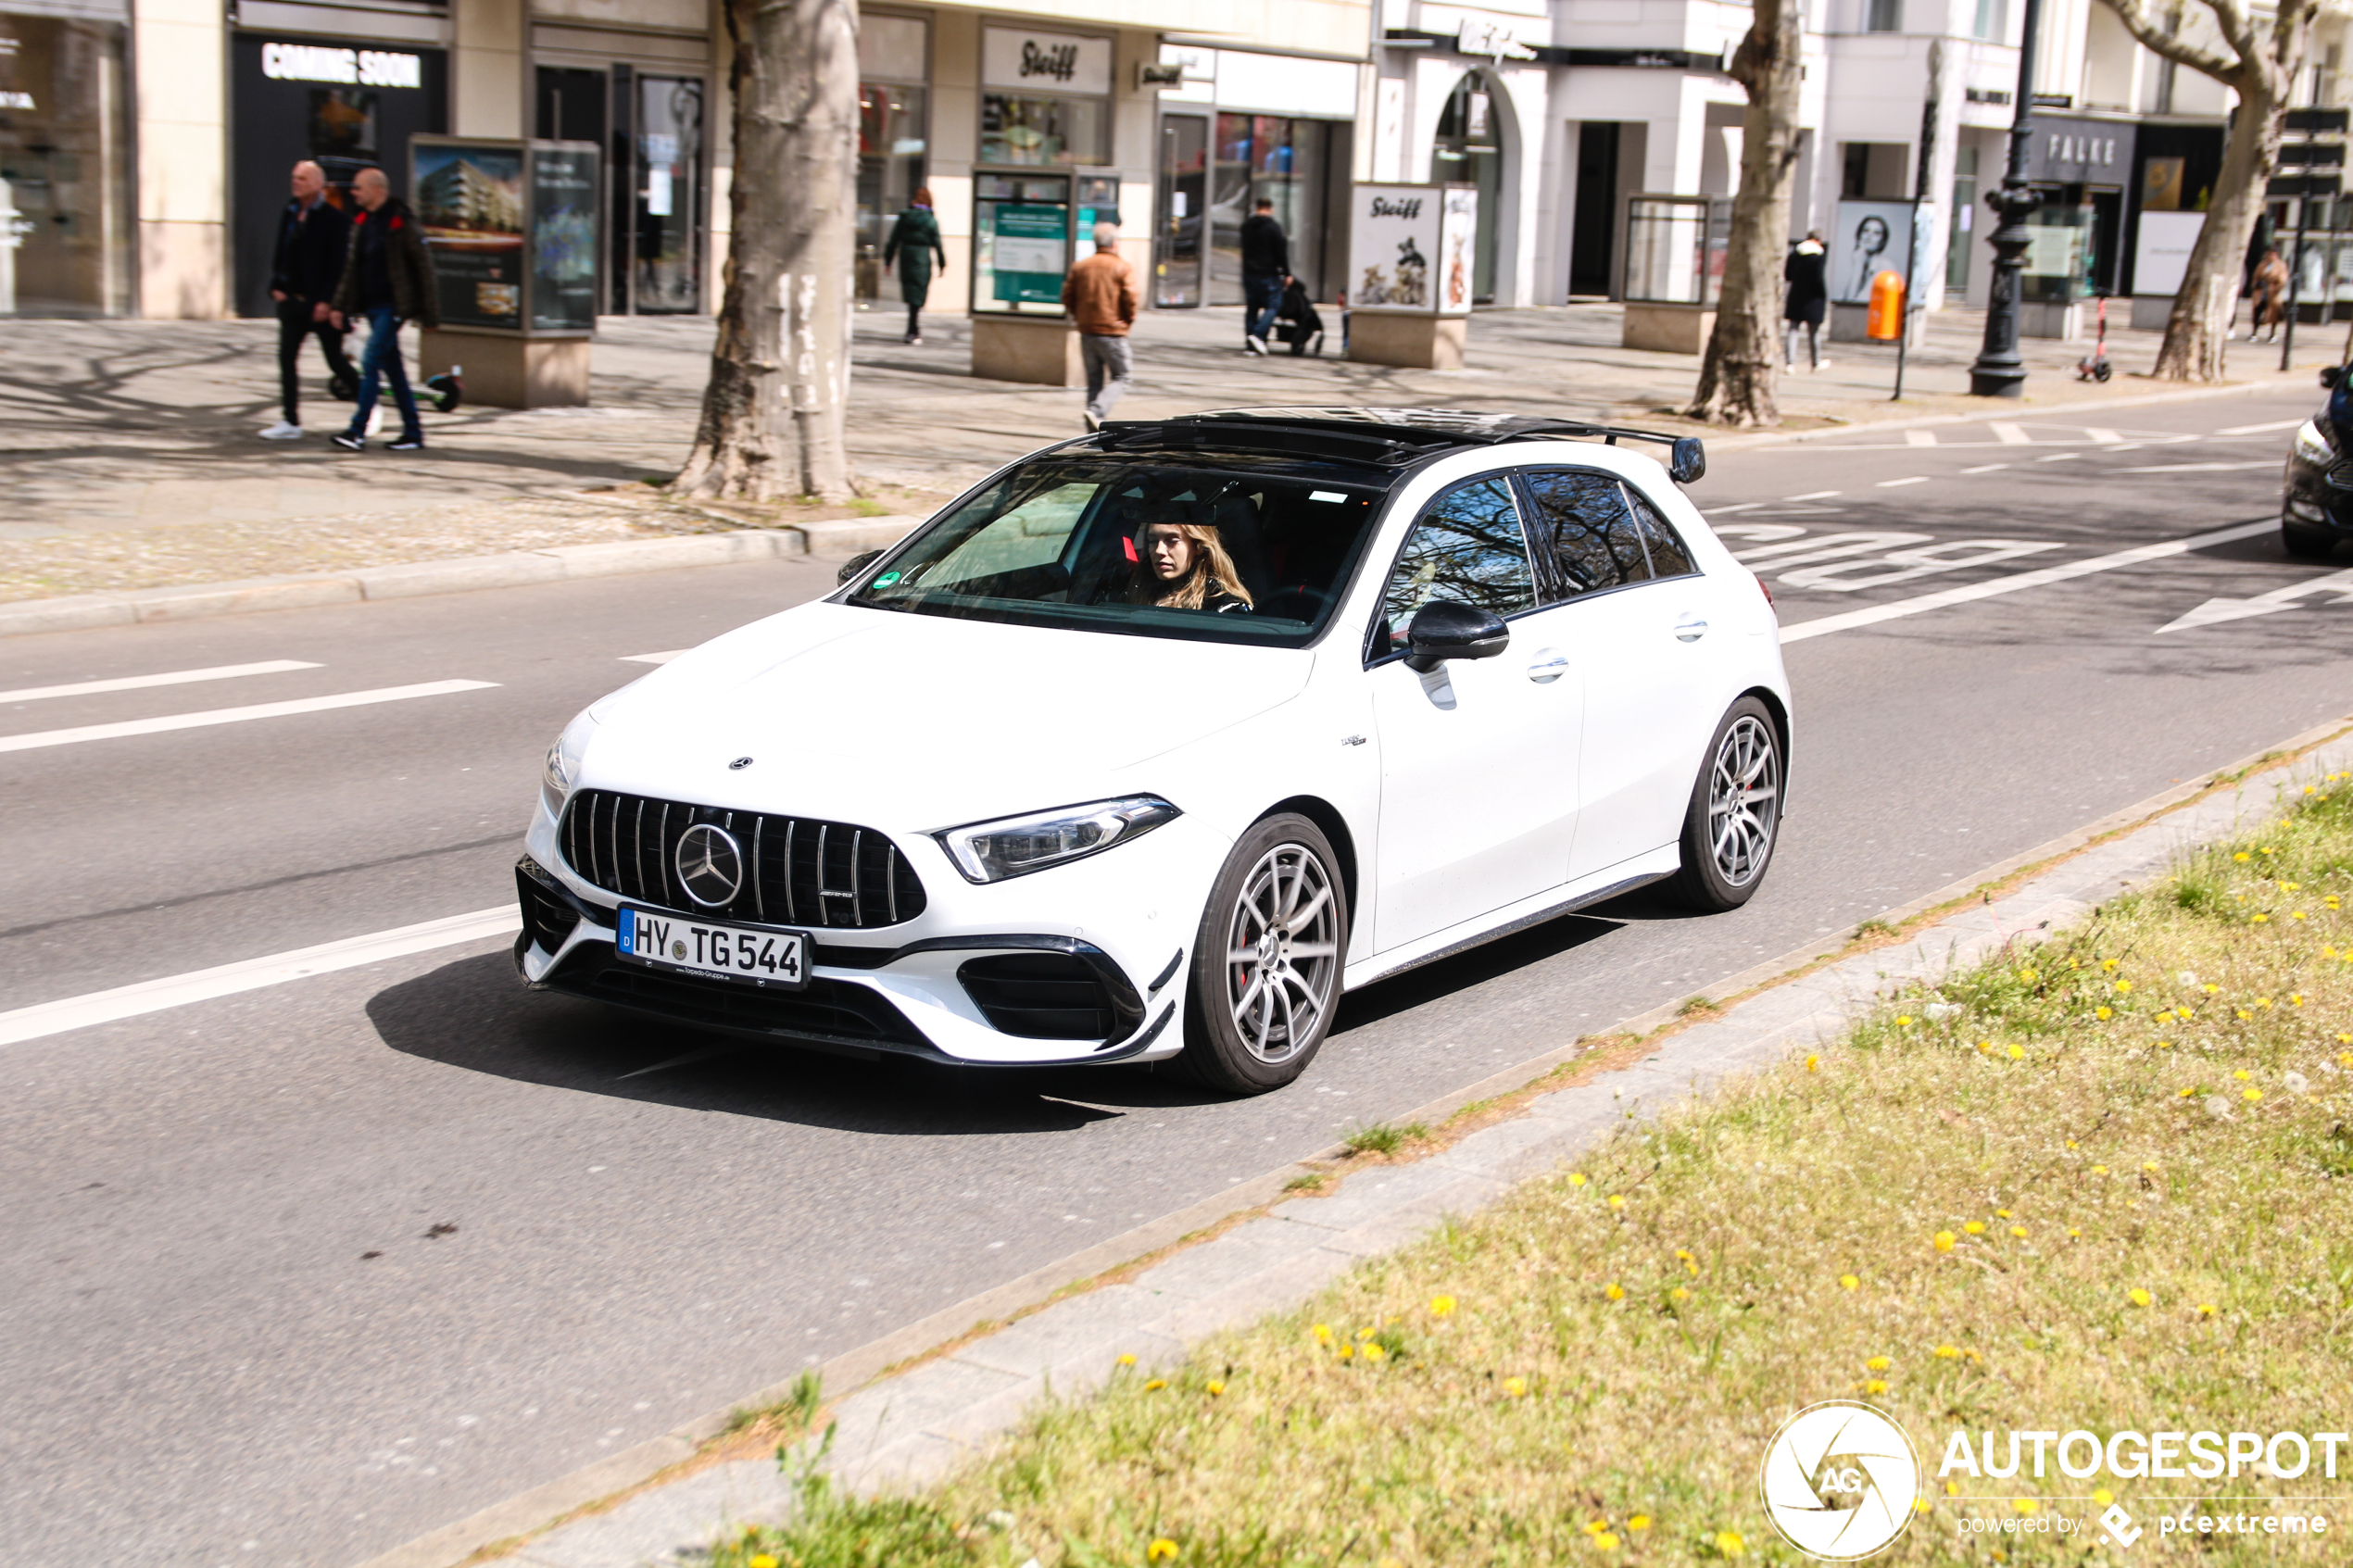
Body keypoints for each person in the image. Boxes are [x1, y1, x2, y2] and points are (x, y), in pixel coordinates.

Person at [329, 166, 439, 453]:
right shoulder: (363, 222)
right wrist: (339, 306)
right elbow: (351, 269)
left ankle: (357, 431)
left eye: (359, 188)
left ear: (377, 190)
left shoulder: (401, 222)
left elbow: (424, 268)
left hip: (393, 307)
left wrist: (430, 314)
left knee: (370, 360)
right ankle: (413, 433)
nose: (354, 193)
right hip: (372, 307)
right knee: (396, 373)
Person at [261, 160, 356, 440]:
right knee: (286, 359)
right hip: (292, 302)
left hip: (320, 306)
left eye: (302, 178)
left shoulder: (334, 219)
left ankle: (367, 404)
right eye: (294, 177)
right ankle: (290, 421)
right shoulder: (290, 212)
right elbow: (282, 253)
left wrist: (327, 302)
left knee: (335, 360)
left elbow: (337, 265)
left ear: (317, 184)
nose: (295, 182)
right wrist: (276, 287)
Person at [1062, 221, 1139, 432]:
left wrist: (1080, 317)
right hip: (1112, 331)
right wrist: (1127, 321)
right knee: (1122, 376)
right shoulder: (1122, 267)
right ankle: (1097, 411)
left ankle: (1091, 430)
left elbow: (1067, 296)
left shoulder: (1081, 266)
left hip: (1087, 330)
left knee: (1094, 381)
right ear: (1114, 243)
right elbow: (1131, 298)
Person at [1129, 515, 1253, 613]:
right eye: (1153, 541)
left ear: (1199, 546)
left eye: (1172, 540)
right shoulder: (1139, 591)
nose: (1158, 550)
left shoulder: (1223, 606)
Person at [882, 188, 948, 345]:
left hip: (906, 257)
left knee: (911, 292)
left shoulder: (904, 218)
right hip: (922, 259)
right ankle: (912, 329)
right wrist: (942, 264)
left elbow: (893, 241)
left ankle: (913, 328)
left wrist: (888, 261)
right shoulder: (931, 221)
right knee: (918, 292)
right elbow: (938, 245)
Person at [1239, 197, 1290, 356]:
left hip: (1249, 272)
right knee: (1273, 305)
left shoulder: (1246, 226)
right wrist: (1287, 273)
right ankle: (1258, 335)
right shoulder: (1273, 228)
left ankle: (1250, 345)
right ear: (1270, 209)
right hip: (1268, 273)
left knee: (1252, 308)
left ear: (1257, 207)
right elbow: (1280, 253)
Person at [1783, 230, 1829, 372]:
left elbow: (1788, 275)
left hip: (1796, 295)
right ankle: (1815, 363)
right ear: (1818, 240)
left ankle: (1789, 364)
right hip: (1813, 298)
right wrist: (1822, 295)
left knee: (1793, 330)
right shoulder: (1819, 255)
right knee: (1814, 332)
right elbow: (1819, 278)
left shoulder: (1795, 253)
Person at [2252, 246, 2290, 344]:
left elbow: (2283, 279)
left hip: (2272, 293)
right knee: (2257, 311)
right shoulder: (2262, 264)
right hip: (2261, 292)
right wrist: (2256, 284)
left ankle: (2272, 334)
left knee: (2273, 313)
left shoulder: (2281, 265)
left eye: (2272, 254)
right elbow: (2256, 276)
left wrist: (2275, 288)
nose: (2269, 256)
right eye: (2268, 254)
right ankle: (2254, 332)